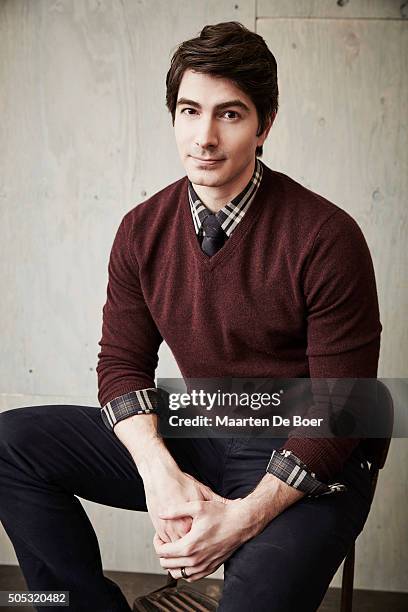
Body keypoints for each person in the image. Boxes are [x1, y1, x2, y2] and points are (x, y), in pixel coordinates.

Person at [0, 21, 382, 612]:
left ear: (265, 124)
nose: (204, 136)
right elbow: (121, 364)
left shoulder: (327, 236)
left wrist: (241, 519)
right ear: (173, 115)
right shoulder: (140, 229)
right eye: (189, 110)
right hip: (205, 423)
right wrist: (159, 471)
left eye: (230, 114)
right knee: (10, 442)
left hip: (311, 448)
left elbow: (342, 407)